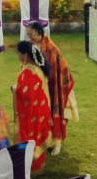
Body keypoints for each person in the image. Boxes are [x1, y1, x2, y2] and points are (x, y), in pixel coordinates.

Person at [29, 22, 76, 155]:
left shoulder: (50, 49)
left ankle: (57, 143)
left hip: (57, 87)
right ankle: (48, 141)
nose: (29, 37)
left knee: (57, 113)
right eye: (28, 34)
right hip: (45, 86)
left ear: (39, 33)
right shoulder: (36, 45)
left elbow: (56, 70)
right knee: (44, 113)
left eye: (31, 34)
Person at [12, 40, 51, 173]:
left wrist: (15, 90)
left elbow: (27, 95)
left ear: (25, 55)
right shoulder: (37, 68)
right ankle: (38, 166)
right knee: (37, 135)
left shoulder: (28, 72)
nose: (18, 56)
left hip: (31, 112)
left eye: (19, 53)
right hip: (40, 109)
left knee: (29, 136)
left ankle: (31, 168)